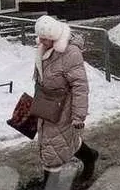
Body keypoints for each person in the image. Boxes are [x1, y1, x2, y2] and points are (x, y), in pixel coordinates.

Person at [33, 15, 99, 180]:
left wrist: (78, 116)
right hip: (47, 104)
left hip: (63, 107)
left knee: (53, 146)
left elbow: (80, 86)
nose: (41, 41)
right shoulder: (44, 47)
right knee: (63, 140)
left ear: (55, 37)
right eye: (40, 37)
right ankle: (89, 156)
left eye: (45, 38)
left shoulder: (70, 53)